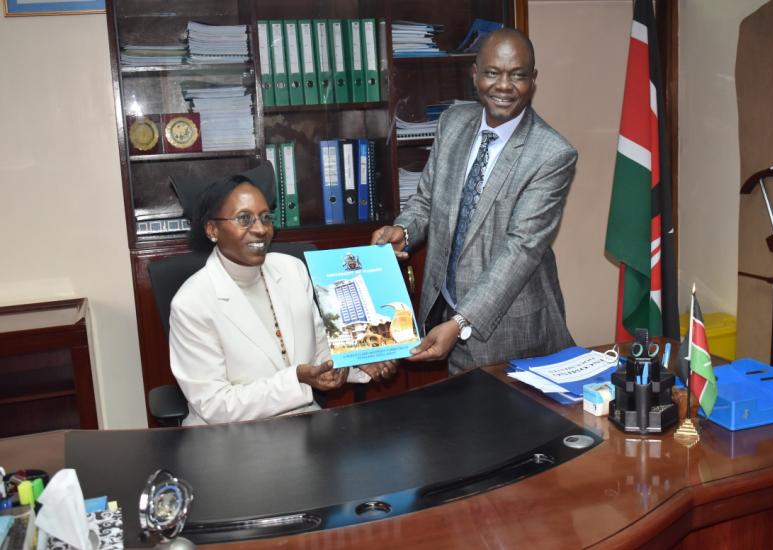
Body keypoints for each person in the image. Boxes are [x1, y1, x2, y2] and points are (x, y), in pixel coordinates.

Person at [372, 28, 577, 374]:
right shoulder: (453, 122)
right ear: (475, 74)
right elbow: (427, 200)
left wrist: (461, 322)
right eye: (492, 73)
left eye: (518, 75)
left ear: (533, 80)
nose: (504, 86)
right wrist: (403, 232)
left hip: (512, 335)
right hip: (443, 310)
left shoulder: (552, 154)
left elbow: (521, 250)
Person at [170, 170, 396, 425]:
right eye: (244, 219)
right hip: (231, 433)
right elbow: (215, 405)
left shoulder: (292, 269)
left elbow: (320, 345)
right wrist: (296, 379)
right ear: (213, 229)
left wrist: (356, 362)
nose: (260, 229)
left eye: (265, 218)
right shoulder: (190, 303)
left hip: (303, 422)